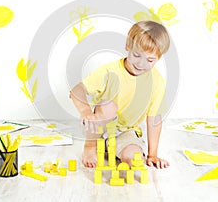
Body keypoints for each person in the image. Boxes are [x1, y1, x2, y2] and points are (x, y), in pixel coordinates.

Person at [69, 20, 170, 169]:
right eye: (136, 55)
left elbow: (154, 118)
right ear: (128, 46)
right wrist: (85, 111)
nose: (141, 64)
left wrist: (152, 154)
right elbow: (76, 91)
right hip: (99, 127)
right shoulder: (110, 72)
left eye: (149, 60)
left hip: (125, 132)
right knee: (108, 106)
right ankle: (91, 147)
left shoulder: (157, 81)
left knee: (135, 159)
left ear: (158, 58)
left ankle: (117, 150)